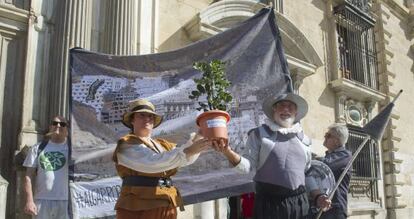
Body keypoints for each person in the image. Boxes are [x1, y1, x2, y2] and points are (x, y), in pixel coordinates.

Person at [215, 93, 312, 219]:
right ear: (274, 109)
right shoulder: (259, 134)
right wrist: (228, 152)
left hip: (300, 205)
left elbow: (308, 172)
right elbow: (247, 167)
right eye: (282, 105)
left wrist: (319, 195)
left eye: (290, 107)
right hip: (270, 205)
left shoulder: (304, 140)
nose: (286, 109)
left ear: (296, 112)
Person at [112, 99, 212, 219]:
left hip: (166, 202)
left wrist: (200, 134)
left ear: (153, 121)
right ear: (132, 120)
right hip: (138, 206)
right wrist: (189, 150)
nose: (147, 119)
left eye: (150, 116)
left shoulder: (162, 145)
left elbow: (184, 159)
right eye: (141, 115)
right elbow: (154, 162)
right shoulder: (126, 145)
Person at [23, 116, 69, 219]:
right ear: (50, 127)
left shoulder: (73, 149)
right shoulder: (38, 148)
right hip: (41, 201)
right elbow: (28, 177)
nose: (58, 125)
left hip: (66, 202)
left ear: (67, 129)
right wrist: (29, 201)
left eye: (62, 124)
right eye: (55, 123)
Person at [308, 124, 352, 219]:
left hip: (335, 209)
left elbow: (325, 165)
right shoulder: (330, 155)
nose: (325, 137)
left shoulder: (345, 156)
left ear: (336, 141)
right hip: (323, 207)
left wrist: (309, 156)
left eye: (328, 135)